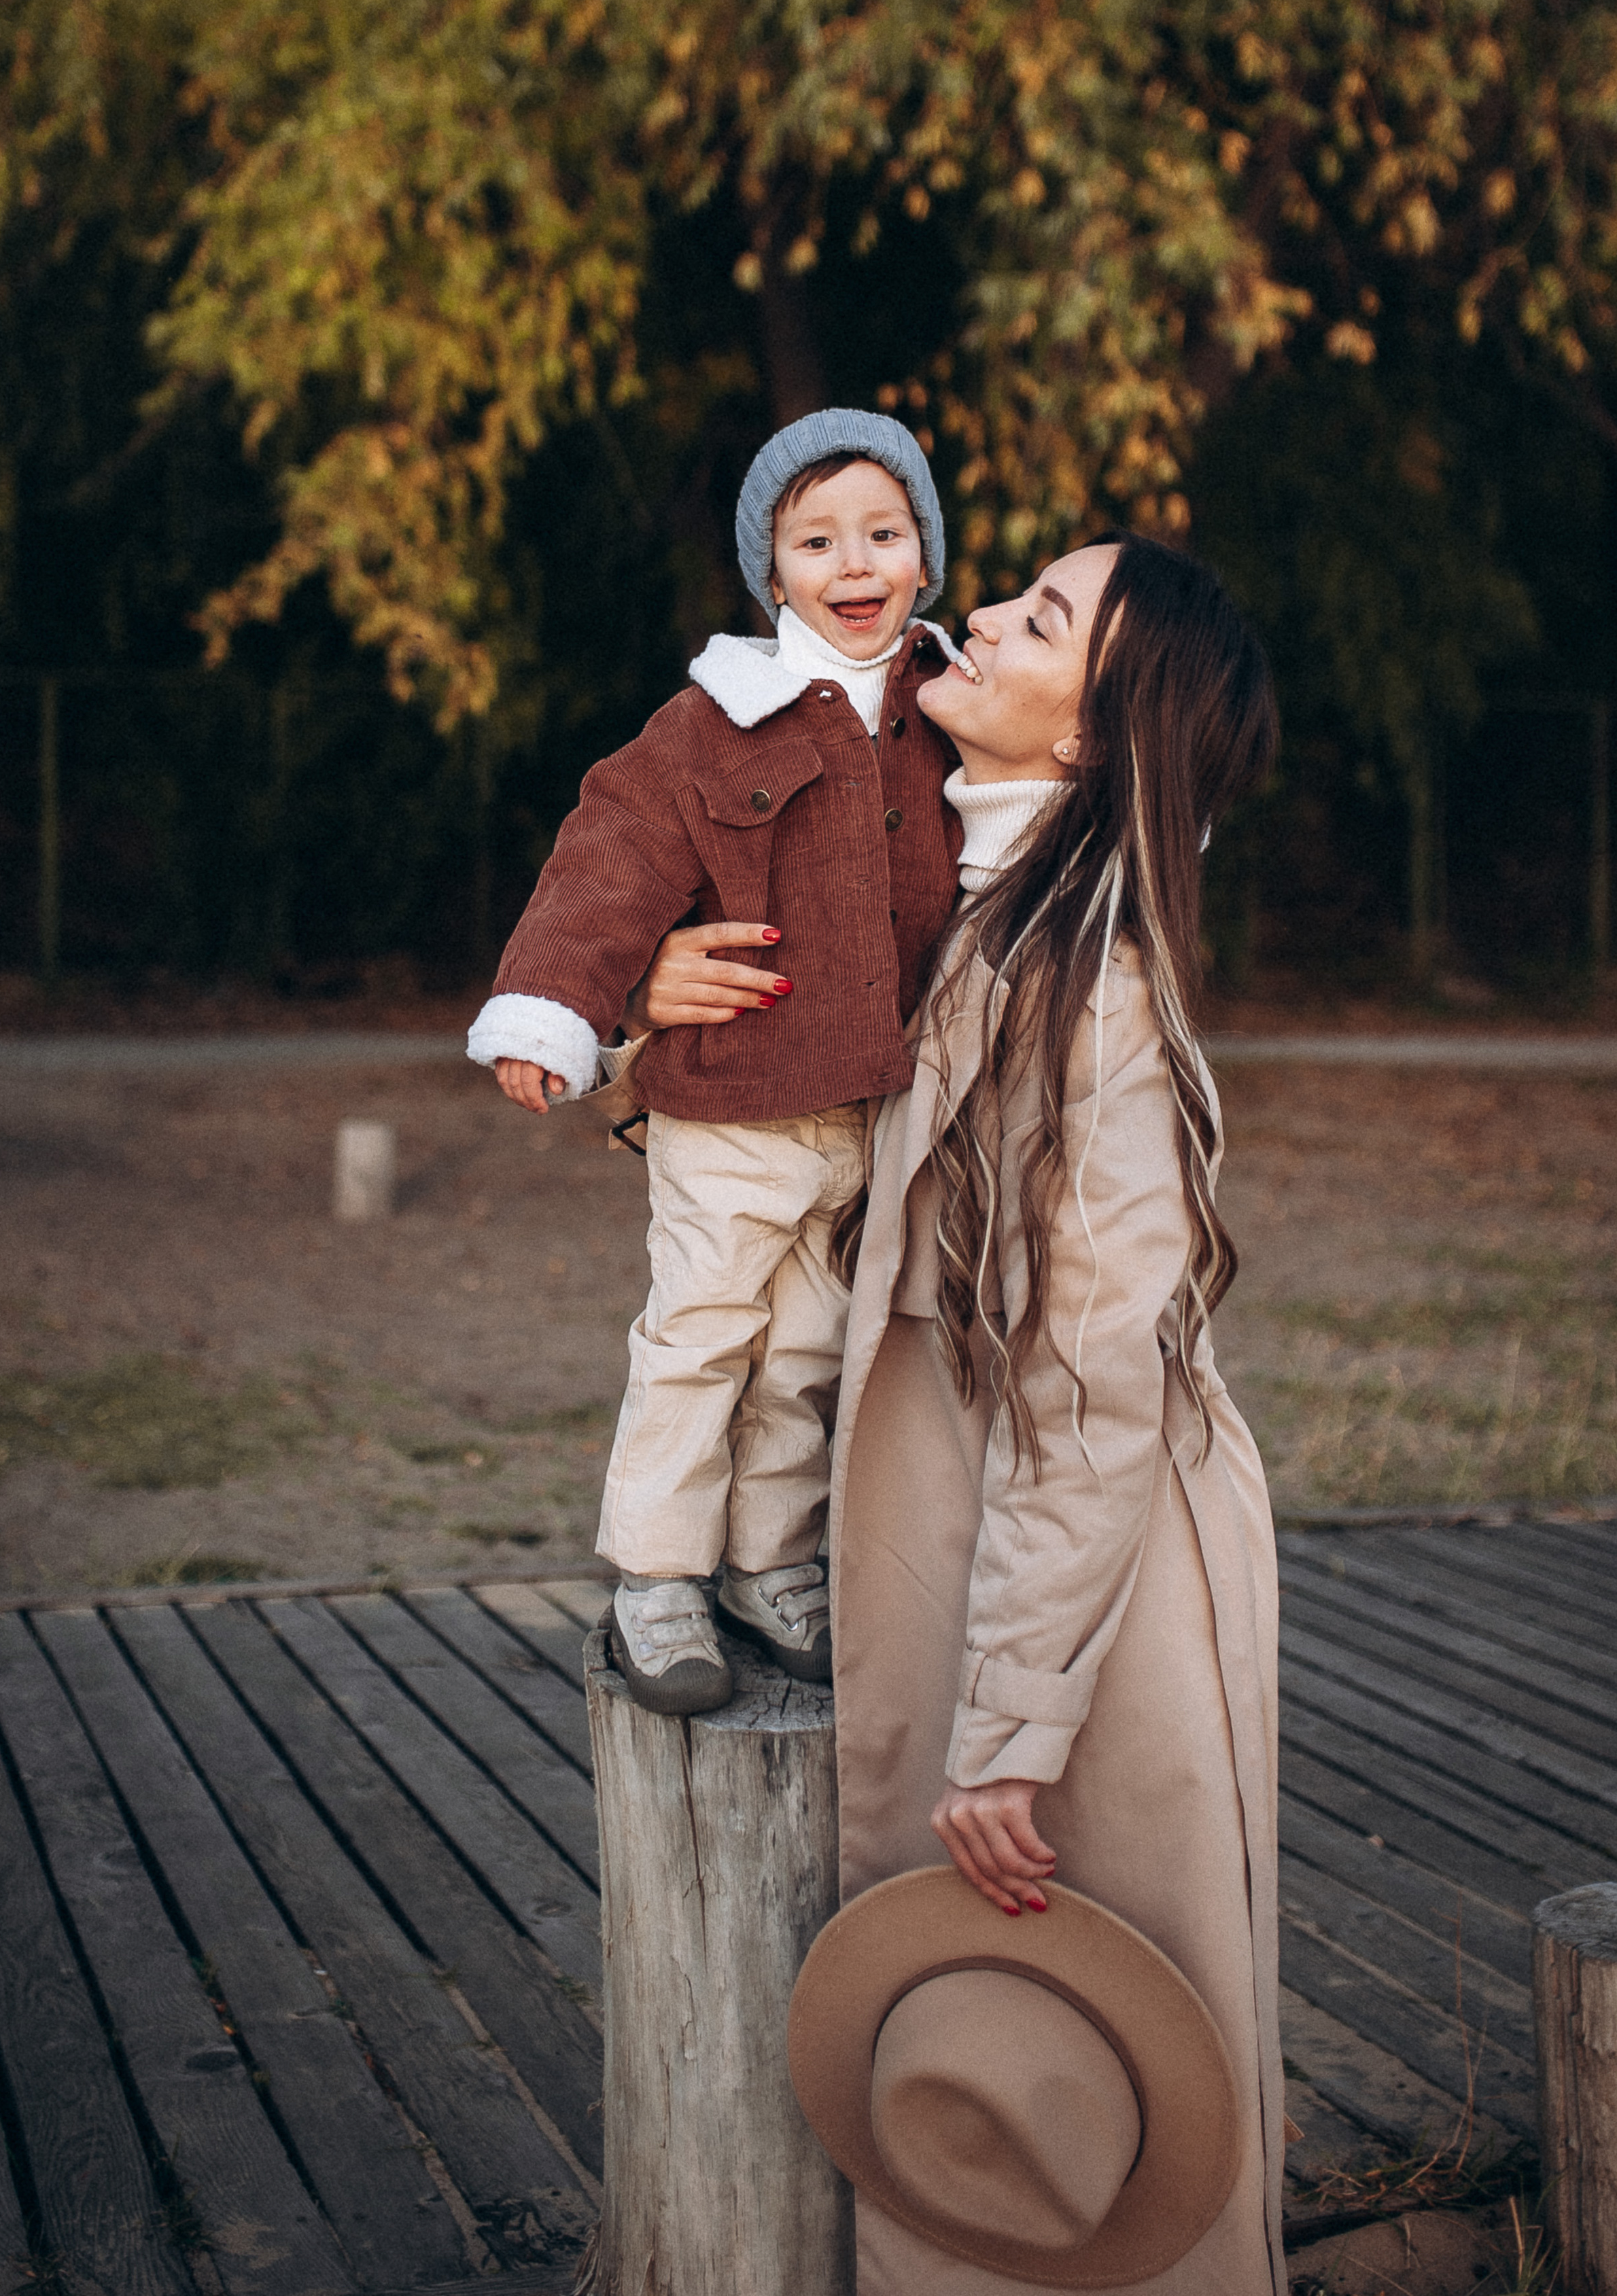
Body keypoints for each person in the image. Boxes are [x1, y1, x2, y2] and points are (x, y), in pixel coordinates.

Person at [824, 531, 1287, 2293]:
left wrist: (1014, 1721)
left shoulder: (1097, 982)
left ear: (1089, 735)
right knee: (986, 2056)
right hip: (972, 1529)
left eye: (1036, 619)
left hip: (1088, 1591)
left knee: (1104, 2046)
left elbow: (1090, 1385)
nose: (982, 617)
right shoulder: (974, 898)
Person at [466, 410, 962, 1716]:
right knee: (701, 1338)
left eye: (883, 533)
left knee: (809, 1353)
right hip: (735, 1110)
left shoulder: (950, 706)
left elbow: (1044, 794)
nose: (853, 564)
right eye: (816, 542)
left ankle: (768, 1562)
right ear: (771, 572)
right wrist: (554, 1009)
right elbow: (611, 859)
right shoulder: (714, 723)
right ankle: (658, 1574)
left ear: (925, 554)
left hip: (874, 1116)